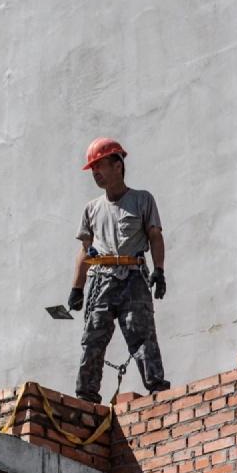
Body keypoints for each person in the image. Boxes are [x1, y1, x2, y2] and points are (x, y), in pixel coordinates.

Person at [68, 137, 170, 403]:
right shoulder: (92, 209)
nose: (95, 173)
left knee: (142, 336)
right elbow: (84, 250)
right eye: (92, 169)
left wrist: (159, 270)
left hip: (133, 278)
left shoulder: (141, 199)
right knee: (93, 338)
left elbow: (155, 236)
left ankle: (157, 389)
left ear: (118, 165)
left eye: (99, 166)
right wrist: (76, 288)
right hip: (101, 280)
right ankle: (86, 397)